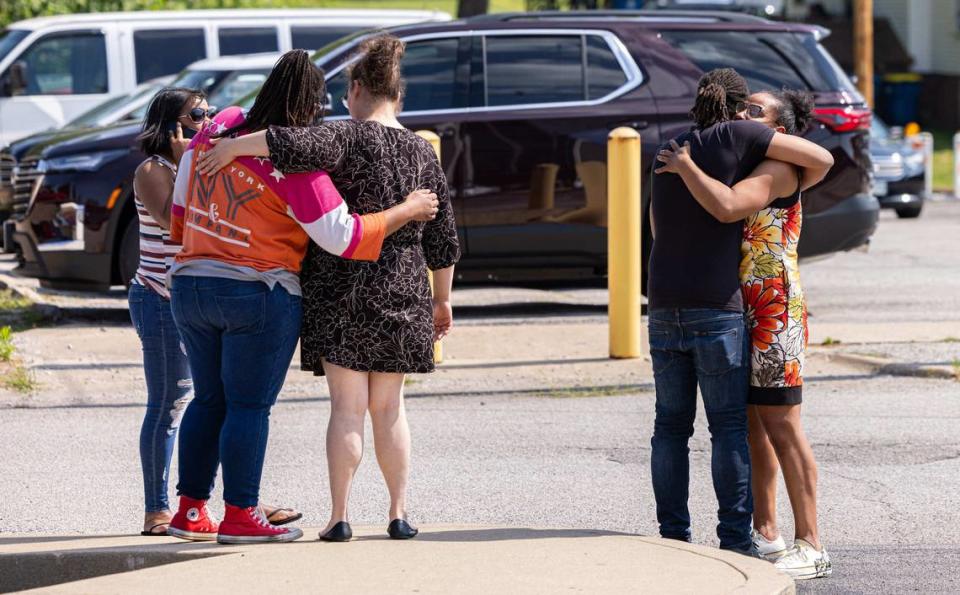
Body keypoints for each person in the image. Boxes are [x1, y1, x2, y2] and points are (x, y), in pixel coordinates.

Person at [165, 50, 440, 545]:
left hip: (190, 282)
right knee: (248, 407)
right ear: (309, 107)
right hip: (258, 290)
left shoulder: (218, 127)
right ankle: (241, 514)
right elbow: (345, 238)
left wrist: (196, 243)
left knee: (208, 400)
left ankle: (189, 510)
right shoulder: (298, 171)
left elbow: (182, 196)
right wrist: (406, 209)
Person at [646, 68, 833, 556]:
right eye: (742, 107)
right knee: (749, 425)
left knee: (782, 424)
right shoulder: (737, 162)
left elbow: (729, 207)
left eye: (755, 112)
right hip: (735, 307)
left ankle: (810, 542)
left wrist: (687, 166)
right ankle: (765, 531)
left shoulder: (777, 169)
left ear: (779, 132)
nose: (742, 117)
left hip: (773, 309)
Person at [131, 87, 302, 537]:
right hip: (159, 297)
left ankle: (226, 502)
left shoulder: (204, 159)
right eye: (197, 115)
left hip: (192, 292)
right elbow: (174, 221)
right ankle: (158, 508)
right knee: (171, 404)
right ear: (170, 123)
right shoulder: (153, 168)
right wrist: (188, 158)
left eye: (209, 113)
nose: (206, 121)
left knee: (221, 401)